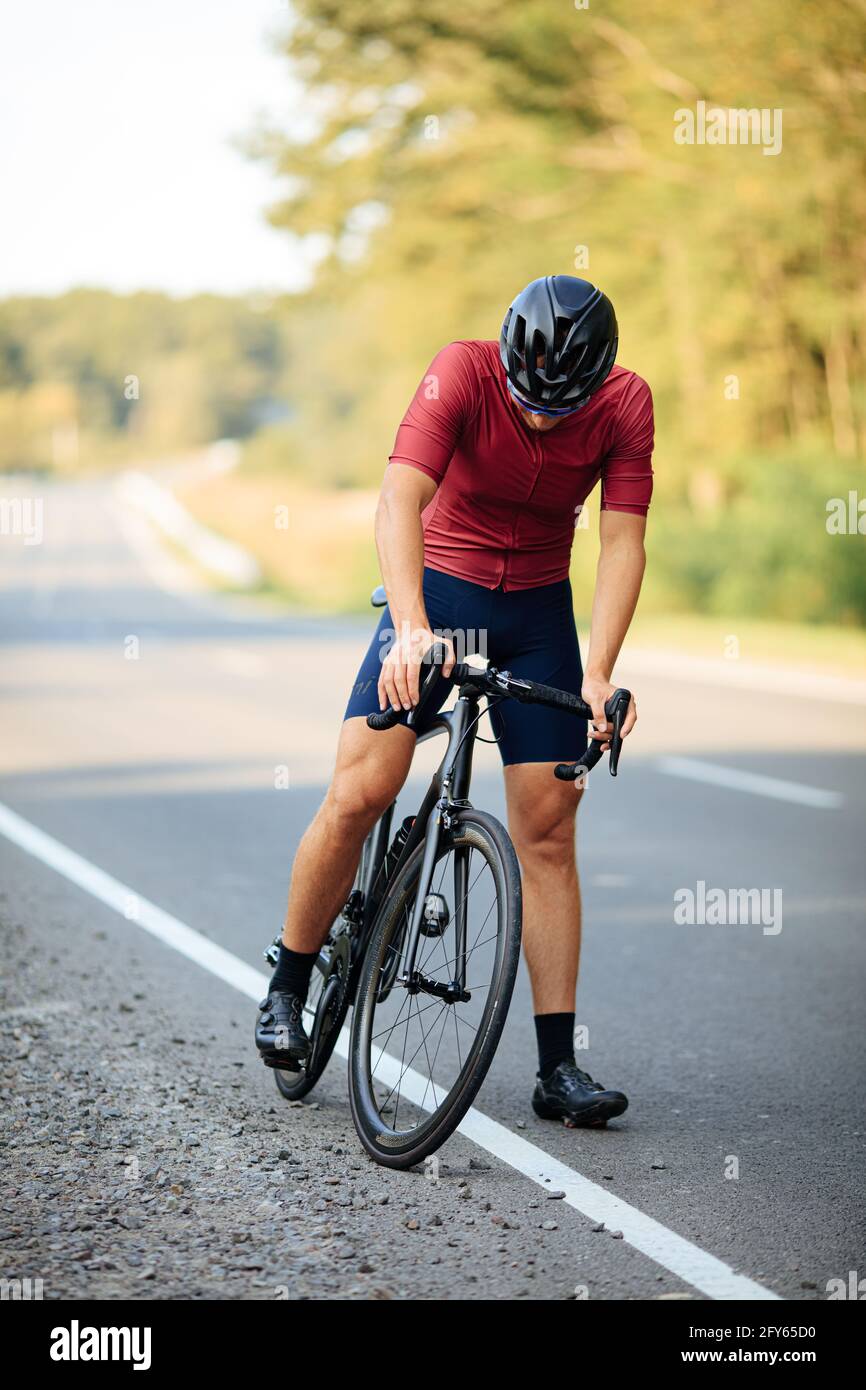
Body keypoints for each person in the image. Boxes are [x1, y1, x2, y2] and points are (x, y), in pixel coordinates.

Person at [256, 274, 653, 1126]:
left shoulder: (625, 406)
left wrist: (598, 671)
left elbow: (622, 539)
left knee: (548, 829)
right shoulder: (462, 373)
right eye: (529, 399)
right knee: (361, 791)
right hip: (443, 601)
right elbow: (401, 496)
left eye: (563, 405)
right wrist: (410, 627)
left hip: (538, 615)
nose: (543, 417)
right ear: (507, 356)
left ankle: (558, 1071)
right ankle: (288, 984)